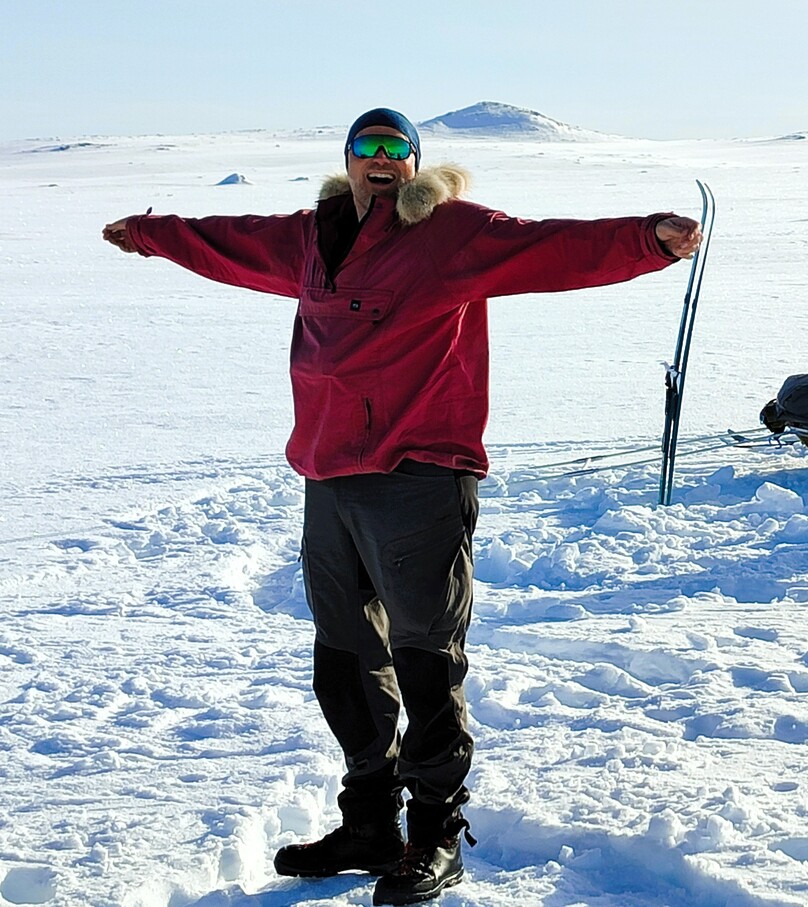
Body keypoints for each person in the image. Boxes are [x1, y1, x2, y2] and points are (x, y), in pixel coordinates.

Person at [103, 107, 701, 905]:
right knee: (346, 660)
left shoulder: (451, 233)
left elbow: (550, 247)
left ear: (413, 163)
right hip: (329, 476)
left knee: (424, 658)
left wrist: (645, 239)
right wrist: (150, 234)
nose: (380, 160)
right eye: (367, 148)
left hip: (420, 473)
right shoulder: (311, 235)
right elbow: (228, 242)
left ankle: (434, 838)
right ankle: (370, 824)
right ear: (347, 160)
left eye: (395, 149)